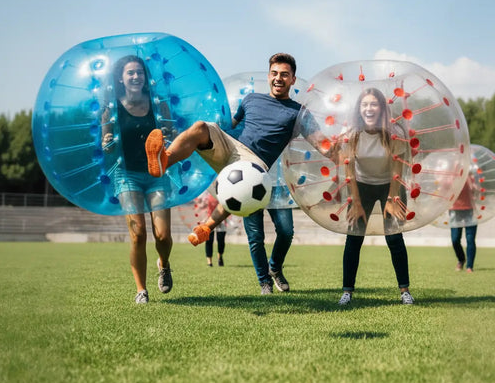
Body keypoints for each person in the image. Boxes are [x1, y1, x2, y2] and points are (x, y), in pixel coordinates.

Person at [146, 52, 331, 295]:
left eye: (285, 75)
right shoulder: (251, 99)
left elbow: (320, 142)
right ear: (268, 76)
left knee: (284, 230)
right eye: (275, 74)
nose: (279, 78)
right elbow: (232, 126)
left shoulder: (297, 112)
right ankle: (163, 161)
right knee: (202, 127)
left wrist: (340, 149)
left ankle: (270, 265)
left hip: (259, 167)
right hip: (231, 148)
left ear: (293, 80)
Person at [101, 55, 174, 304]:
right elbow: (106, 145)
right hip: (126, 175)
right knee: (138, 233)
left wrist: (168, 136)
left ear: (145, 77)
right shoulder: (111, 109)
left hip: (157, 174)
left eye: (140, 72)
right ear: (121, 78)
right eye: (130, 73)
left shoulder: (158, 104)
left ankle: (164, 264)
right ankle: (141, 289)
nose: (135, 77)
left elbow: (172, 134)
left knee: (162, 235)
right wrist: (107, 144)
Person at [337, 88, 414, 306]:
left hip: (392, 186)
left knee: (394, 238)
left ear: (381, 108)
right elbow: (348, 170)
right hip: (361, 186)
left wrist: (391, 200)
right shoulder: (352, 134)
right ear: (359, 109)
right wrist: (357, 202)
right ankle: (347, 291)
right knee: (353, 239)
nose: (369, 109)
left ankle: (405, 291)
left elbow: (397, 170)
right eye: (364, 105)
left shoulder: (394, 131)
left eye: (373, 104)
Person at [449, 179, 477, 273]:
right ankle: (461, 259)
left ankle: (469, 266)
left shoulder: (471, 175)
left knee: (470, 239)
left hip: (470, 209)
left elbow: (477, 190)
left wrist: (473, 185)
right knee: (455, 239)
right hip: (454, 209)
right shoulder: (451, 175)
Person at [194, 192, 226, 266]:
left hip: (221, 218)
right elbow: (200, 204)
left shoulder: (221, 190)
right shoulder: (205, 193)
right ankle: (209, 262)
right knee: (209, 240)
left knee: (221, 240)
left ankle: (220, 257)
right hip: (208, 218)